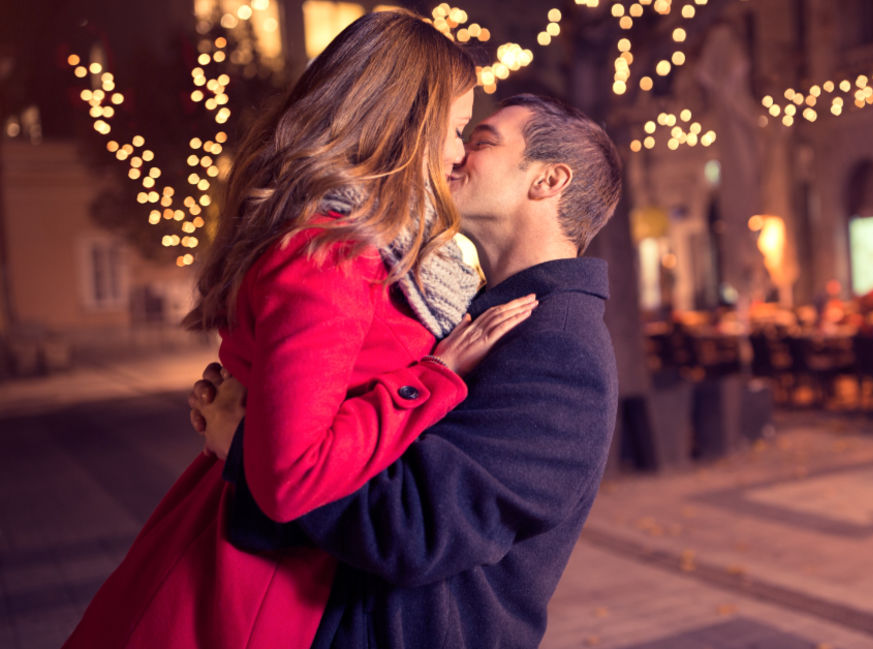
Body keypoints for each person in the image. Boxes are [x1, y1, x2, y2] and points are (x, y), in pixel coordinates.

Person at [64, 11, 535, 649]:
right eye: (454, 130)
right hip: (261, 584)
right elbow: (291, 479)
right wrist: (437, 377)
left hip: (300, 561)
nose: (458, 153)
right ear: (404, 123)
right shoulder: (330, 253)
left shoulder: (378, 244)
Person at [193, 94, 623, 649]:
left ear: (548, 180)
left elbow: (414, 526)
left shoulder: (561, 347)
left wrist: (253, 449)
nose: (456, 155)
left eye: (483, 141)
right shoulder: (476, 311)